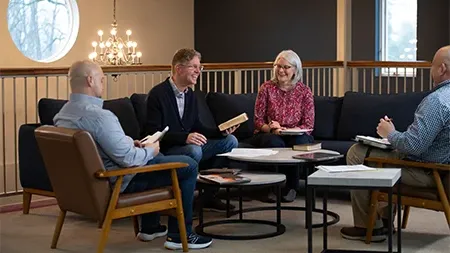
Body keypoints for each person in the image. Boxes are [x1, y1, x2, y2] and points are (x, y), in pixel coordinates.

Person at [53, 60, 212, 250]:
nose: (103, 83)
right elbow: (129, 159)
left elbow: (104, 147)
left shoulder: (63, 114)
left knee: (161, 159)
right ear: (90, 80)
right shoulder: (100, 117)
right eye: (102, 79)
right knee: (187, 165)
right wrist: (150, 149)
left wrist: (133, 144)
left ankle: (150, 227)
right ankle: (180, 235)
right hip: (119, 183)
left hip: (85, 186)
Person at [340, 45, 450, 242]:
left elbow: (414, 146)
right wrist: (396, 136)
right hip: (441, 169)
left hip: (427, 172)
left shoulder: (437, 101)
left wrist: (389, 133)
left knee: (357, 152)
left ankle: (368, 226)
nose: (430, 70)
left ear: (442, 68)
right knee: (384, 153)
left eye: (432, 66)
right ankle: (383, 218)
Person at [144, 48, 239, 212]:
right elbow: (152, 133)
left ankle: (207, 197)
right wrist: (184, 137)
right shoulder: (158, 94)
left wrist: (221, 131)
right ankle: (185, 202)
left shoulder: (190, 95)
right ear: (179, 69)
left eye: (199, 67)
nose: (198, 71)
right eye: (194, 67)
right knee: (194, 150)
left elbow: (198, 127)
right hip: (167, 149)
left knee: (230, 141)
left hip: (188, 146)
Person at [249, 49, 315, 202]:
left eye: (286, 67)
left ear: (295, 70)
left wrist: (290, 130)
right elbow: (258, 120)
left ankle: (291, 187)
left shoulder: (304, 91)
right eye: (278, 66)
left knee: (300, 143)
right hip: (270, 133)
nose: (281, 70)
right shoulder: (266, 88)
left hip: (296, 134)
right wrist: (272, 128)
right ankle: (271, 186)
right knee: (274, 142)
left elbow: (309, 124)